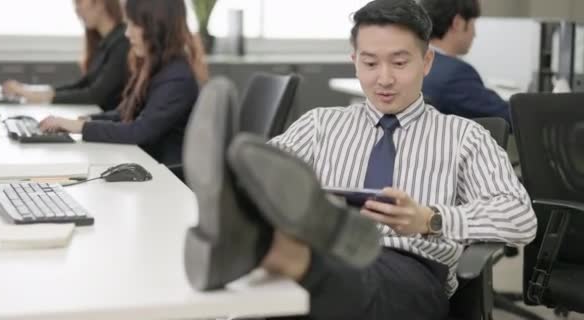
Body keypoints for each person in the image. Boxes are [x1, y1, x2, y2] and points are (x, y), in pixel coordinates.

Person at [230, 0, 536, 319]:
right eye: (370, 63)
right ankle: (289, 259)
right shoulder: (319, 124)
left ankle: (287, 259)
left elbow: (520, 217)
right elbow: (260, 174)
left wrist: (430, 219)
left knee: (304, 288)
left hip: (409, 268)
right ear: (355, 61)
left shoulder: (463, 136)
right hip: (329, 253)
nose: (384, 79)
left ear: (427, 61)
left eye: (400, 63)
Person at [39, 0, 208, 166]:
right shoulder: (156, 65)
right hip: (143, 163)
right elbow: (125, 113)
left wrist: (80, 127)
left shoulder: (177, 76)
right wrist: (83, 120)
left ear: (157, 26)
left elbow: (139, 131)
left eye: (134, 25)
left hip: (165, 177)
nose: (127, 33)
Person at [2, 0, 129, 111]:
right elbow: (82, 85)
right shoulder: (105, 42)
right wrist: (32, 92)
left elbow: (95, 95)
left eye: (79, 1)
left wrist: (37, 95)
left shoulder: (122, 43)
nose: (76, 10)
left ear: (100, 3)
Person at [420, 0, 512, 125]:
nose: (475, 34)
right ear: (457, 23)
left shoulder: (414, 62)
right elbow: (508, 116)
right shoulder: (455, 74)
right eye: (473, 24)